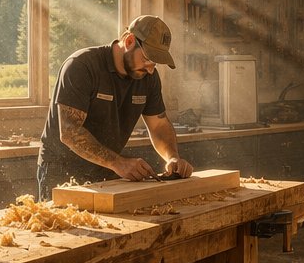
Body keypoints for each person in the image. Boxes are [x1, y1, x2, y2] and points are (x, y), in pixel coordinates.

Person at [36, 15, 194, 196]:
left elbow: (158, 126)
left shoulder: (148, 78)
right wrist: (118, 163)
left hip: (106, 169)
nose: (150, 68)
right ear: (129, 41)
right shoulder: (82, 65)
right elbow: (70, 131)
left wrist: (172, 157)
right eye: (147, 58)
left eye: (155, 62)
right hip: (61, 169)